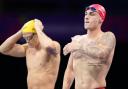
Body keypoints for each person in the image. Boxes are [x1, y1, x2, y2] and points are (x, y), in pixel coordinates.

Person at [62, 4, 116, 89]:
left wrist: (78, 46)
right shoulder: (78, 39)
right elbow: (70, 69)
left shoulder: (108, 36)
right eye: (86, 14)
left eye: (92, 14)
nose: (86, 17)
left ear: (101, 19)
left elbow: (102, 54)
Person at [0, 19, 61, 89]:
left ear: (37, 34)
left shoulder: (54, 46)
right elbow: (3, 49)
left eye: (29, 37)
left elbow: (48, 46)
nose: (27, 41)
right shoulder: (27, 49)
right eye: (25, 38)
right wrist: (21, 32)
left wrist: (38, 29)